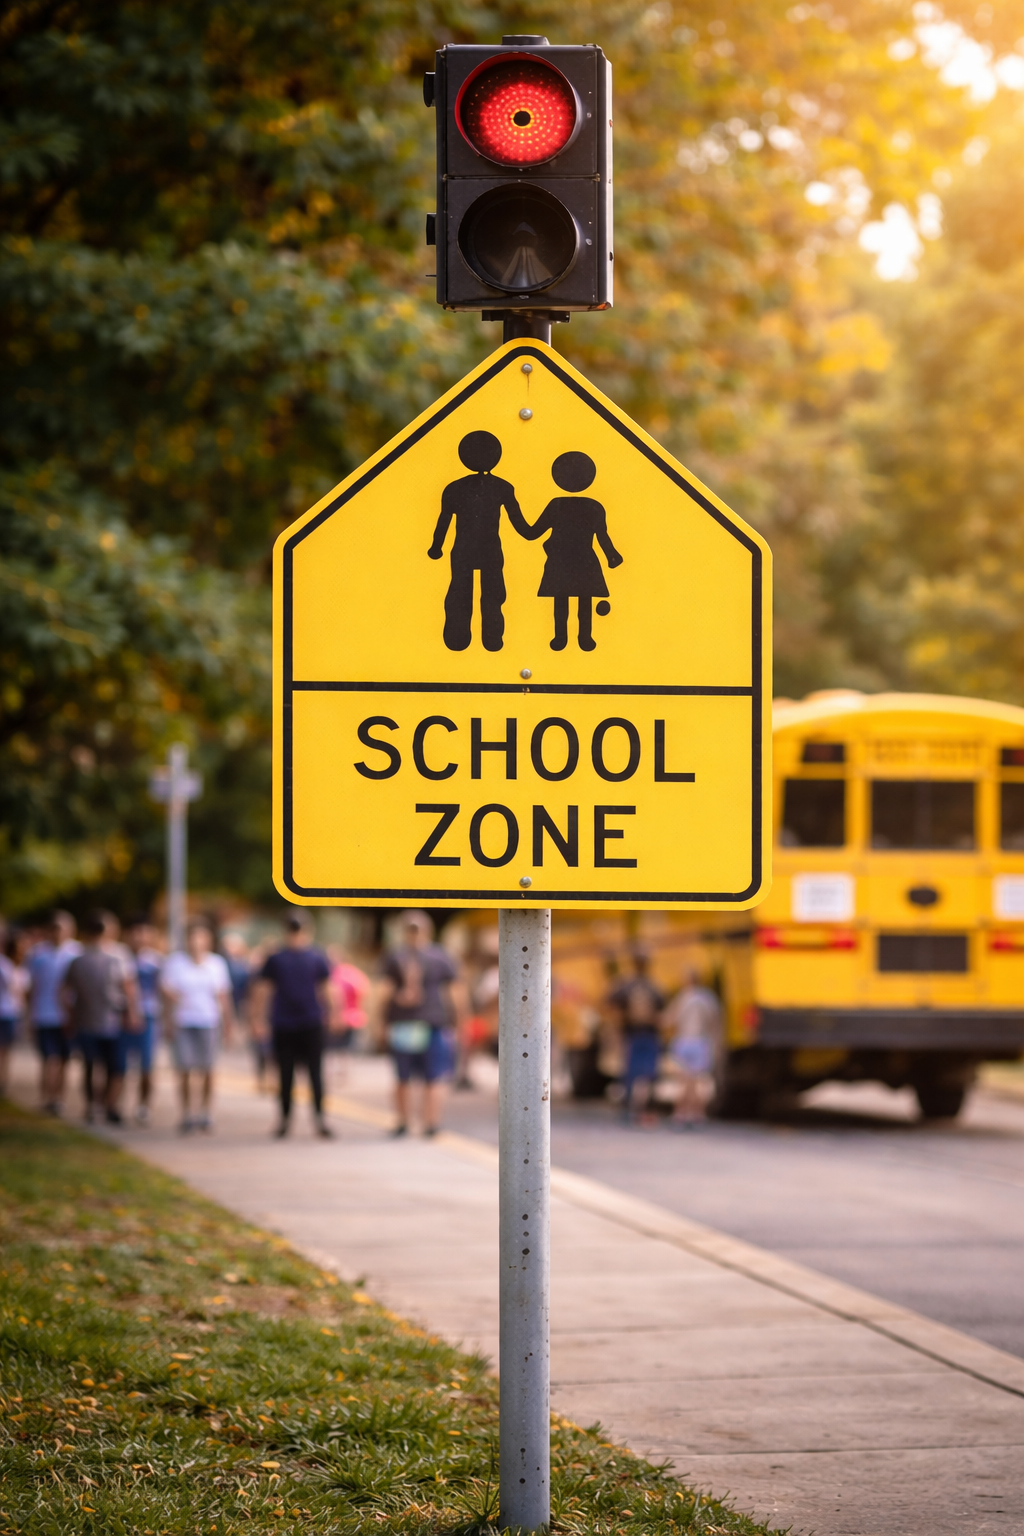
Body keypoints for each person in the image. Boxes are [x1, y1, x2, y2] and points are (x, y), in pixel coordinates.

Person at [427, 431, 531, 653]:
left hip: (466, 549)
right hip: (488, 549)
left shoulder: (455, 488)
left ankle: (460, 639)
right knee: (488, 593)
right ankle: (486, 639)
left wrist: (437, 547)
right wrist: (536, 532)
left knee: (464, 591)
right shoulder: (502, 487)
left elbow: (443, 522)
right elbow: (520, 524)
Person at [518, 451, 623, 652]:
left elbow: (532, 533)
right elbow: (602, 536)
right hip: (582, 559)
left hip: (563, 559)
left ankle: (564, 638)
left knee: (564, 601)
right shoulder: (593, 506)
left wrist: (514, 512)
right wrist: (611, 555)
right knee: (581, 601)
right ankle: (581, 638)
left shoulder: (558, 504)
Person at [379, 911, 461, 1138]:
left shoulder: (398, 956)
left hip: (414, 1023)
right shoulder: (439, 956)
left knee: (412, 1078)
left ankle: (409, 1122)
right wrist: (459, 1019)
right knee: (428, 1078)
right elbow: (455, 993)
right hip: (424, 1023)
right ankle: (428, 1123)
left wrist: (381, 1021)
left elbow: (383, 993)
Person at [255, 915, 334, 1139]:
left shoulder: (317, 957)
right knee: (285, 1076)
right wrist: (259, 1019)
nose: (296, 935)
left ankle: (320, 1119)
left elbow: (326, 987)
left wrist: (334, 1013)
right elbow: (264, 990)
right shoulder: (276, 959)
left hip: (311, 1021)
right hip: (284, 1023)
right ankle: (285, 1120)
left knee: (315, 1075)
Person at [62, 911, 140, 1125]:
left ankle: (93, 1106)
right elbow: (129, 988)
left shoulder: (77, 960)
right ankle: (110, 1106)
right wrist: (133, 1014)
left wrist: (69, 1016)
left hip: (86, 1019)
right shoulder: (118, 957)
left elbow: (65, 992)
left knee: (90, 1066)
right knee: (115, 1067)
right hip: (113, 1020)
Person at [161, 919, 234, 1134]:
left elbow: (223, 996)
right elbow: (166, 991)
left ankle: (205, 1113)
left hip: (208, 1021)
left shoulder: (216, 964)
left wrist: (229, 1024)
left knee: (208, 1069)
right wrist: (168, 1019)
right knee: (184, 1069)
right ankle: (186, 1113)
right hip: (183, 1021)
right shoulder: (175, 963)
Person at [27, 910, 81, 1115]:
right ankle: (48, 1098)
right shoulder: (38, 954)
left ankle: (58, 1098)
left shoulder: (76, 953)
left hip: (68, 1017)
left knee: (64, 1059)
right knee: (49, 1058)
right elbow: (31, 987)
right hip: (44, 1014)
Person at [608, 948, 665, 1124]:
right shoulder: (653, 986)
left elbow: (611, 1003)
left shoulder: (626, 985)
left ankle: (631, 1109)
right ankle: (643, 1109)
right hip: (646, 1034)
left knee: (632, 1073)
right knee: (646, 1074)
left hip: (634, 1034)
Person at [665, 970, 723, 1128]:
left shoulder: (682, 998)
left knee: (683, 1081)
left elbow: (669, 1020)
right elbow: (714, 1024)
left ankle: (680, 1114)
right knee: (699, 1081)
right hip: (701, 1042)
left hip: (683, 1041)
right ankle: (698, 1115)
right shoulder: (708, 999)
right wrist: (716, 1045)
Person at [124, 916, 164, 1124]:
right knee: (118, 1066)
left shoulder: (156, 961)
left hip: (148, 1017)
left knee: (147, 1065)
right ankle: (114, 1104)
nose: (139, 937)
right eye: (135, 932)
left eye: (144, 931)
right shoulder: (119, 957)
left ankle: (144, 1105)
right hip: (121, 1018)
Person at [0, 922, 29, 1100]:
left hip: (13, 1013)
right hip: (4, 1012)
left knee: (7, 1050)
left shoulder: (21, 967)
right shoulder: (5, 965)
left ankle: (4, 1082)